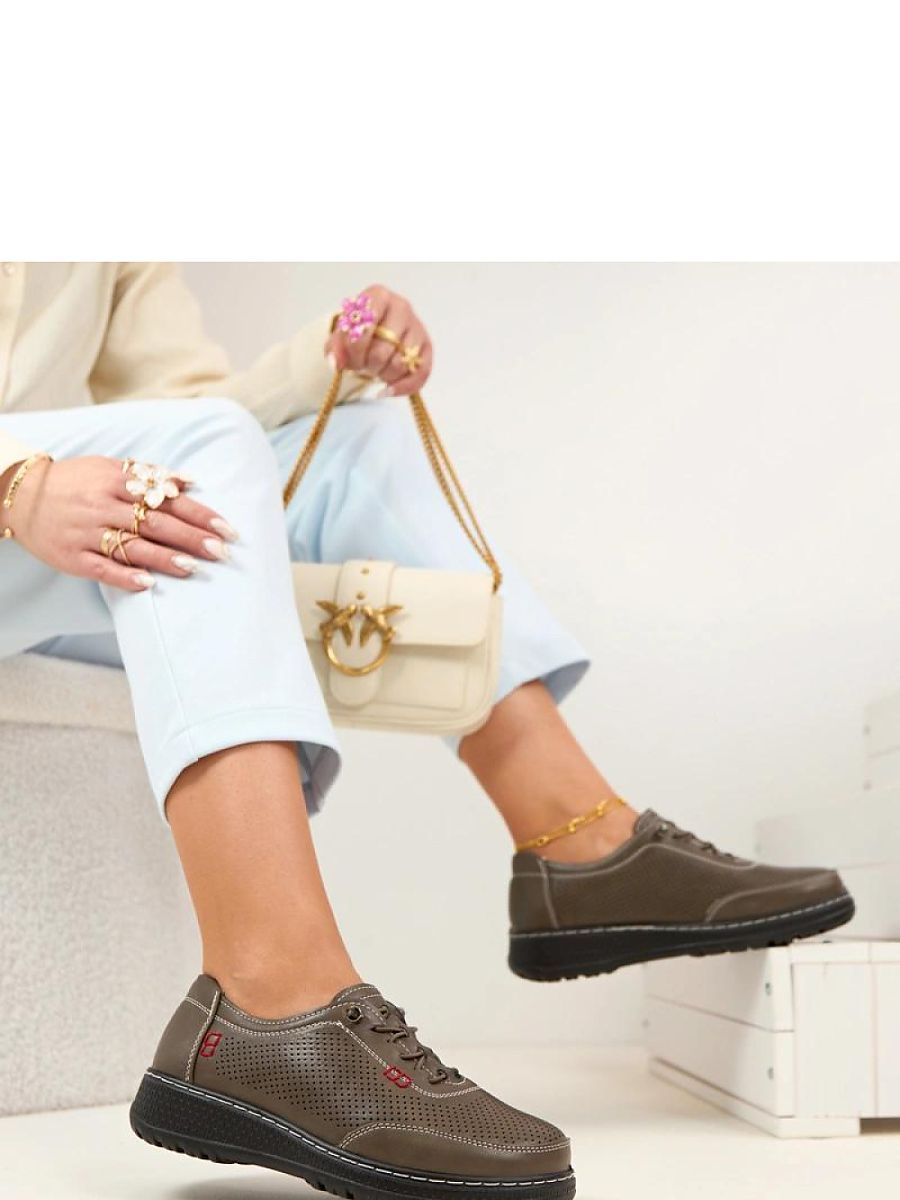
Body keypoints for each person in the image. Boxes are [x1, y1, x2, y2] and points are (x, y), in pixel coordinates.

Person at [0, 263, 852, 1198]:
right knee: (179, 464)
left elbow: (197, 410)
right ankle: (272, 991)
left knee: (355, 441)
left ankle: (581, 842)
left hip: (47, 557)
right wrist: (15, 486)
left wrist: (326, 361)